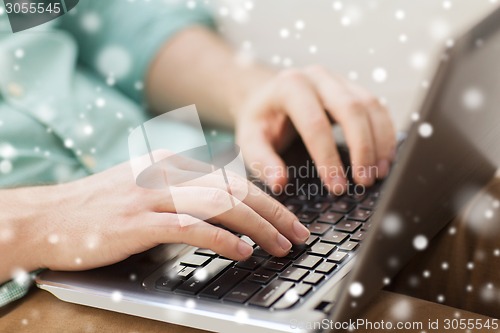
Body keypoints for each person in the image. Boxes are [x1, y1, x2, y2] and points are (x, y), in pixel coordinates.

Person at [0, 0, 395, 306]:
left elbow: (105, 19)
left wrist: (246, 92)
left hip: (206, 185)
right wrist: (47, 219)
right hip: (27, 291)